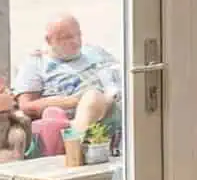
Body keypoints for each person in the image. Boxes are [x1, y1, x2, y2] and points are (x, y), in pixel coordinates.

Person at [13, 13, 121, 156]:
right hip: (76, 112)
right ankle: (75, 144)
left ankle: (76, 141)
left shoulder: (95, 52)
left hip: (113, 103)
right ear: (49, 40)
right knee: (93, 97)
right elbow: (27, 106)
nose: (76, 41)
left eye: (78, 35)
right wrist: (74, 101)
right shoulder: (36, 64)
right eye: (67, 37)